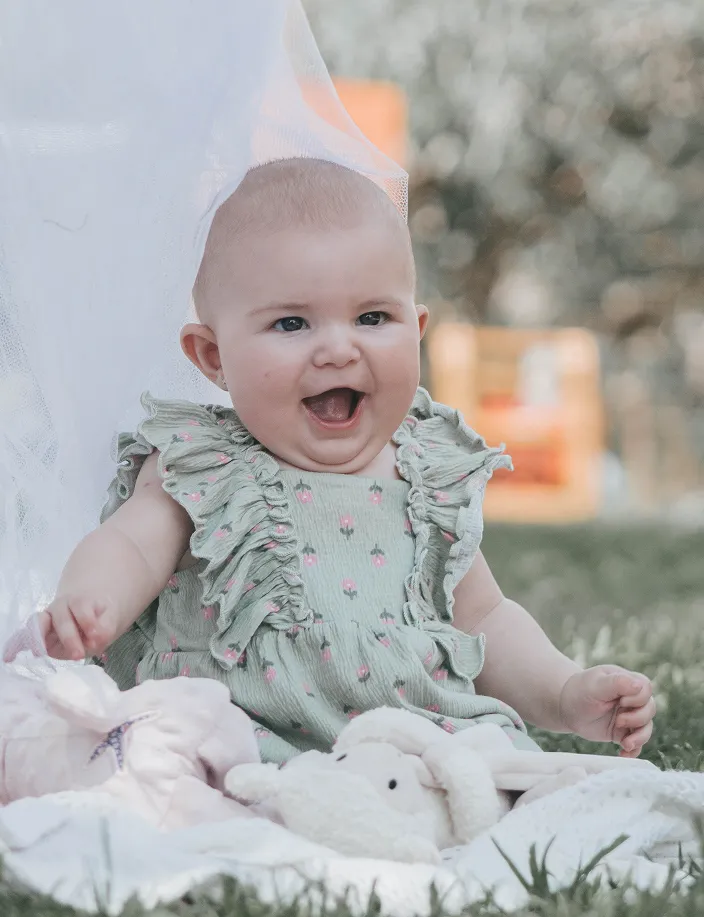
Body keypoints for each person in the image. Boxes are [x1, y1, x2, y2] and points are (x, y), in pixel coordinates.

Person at [32, 157, 655, 764]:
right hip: (240, 735)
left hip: (415, 738)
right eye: (292, 322)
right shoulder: (204, 465)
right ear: (212, 356)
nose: (337, 348)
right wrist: (94, 601)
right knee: (166, 773)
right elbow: (133, 546)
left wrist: (566, 693)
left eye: (372, 317)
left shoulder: (426, 476)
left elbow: (486, 618)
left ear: (416, 329)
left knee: (500, 785)